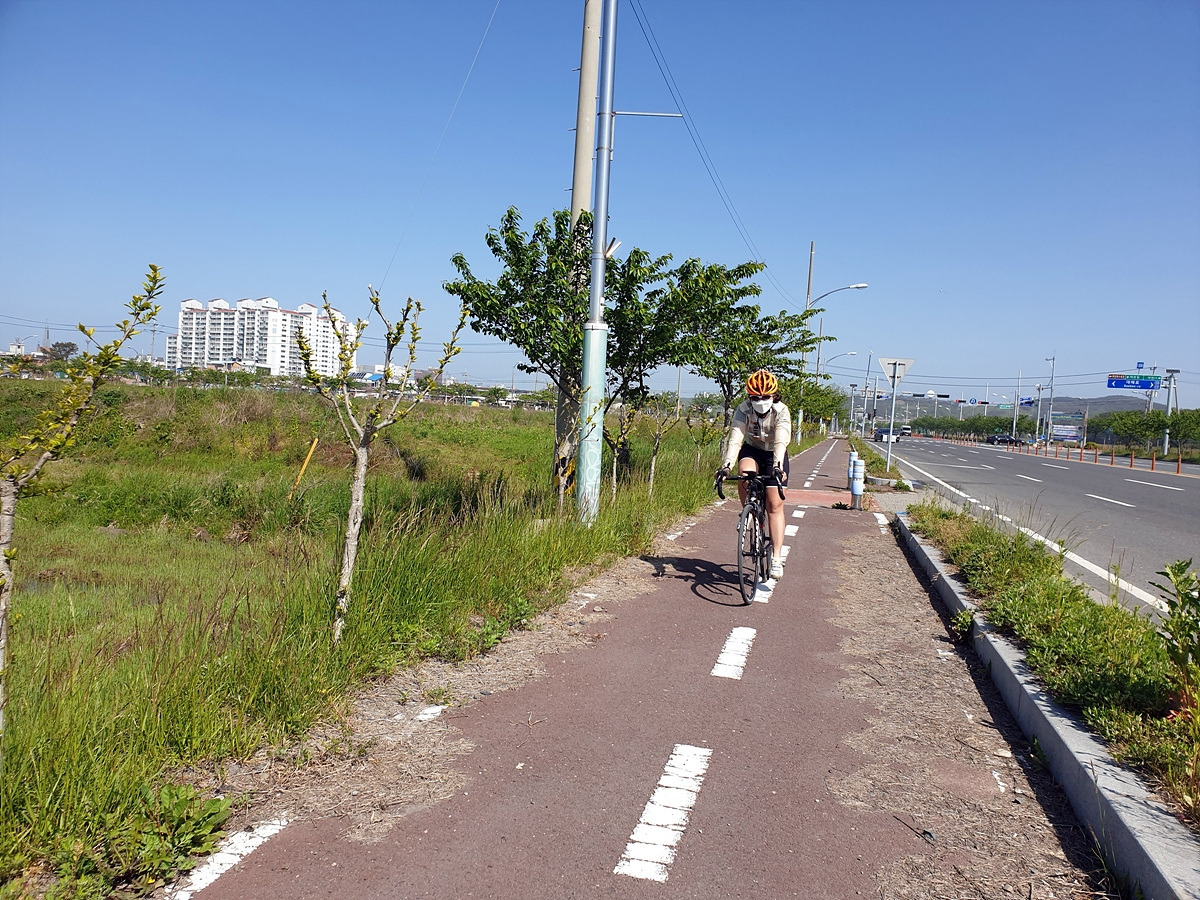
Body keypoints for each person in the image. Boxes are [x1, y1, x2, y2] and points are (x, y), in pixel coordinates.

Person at [715, 369, 792, 579]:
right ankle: (748, 512)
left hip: (774, 453)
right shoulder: (743, 409)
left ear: (774, 396)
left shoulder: (781, 411)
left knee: (774, 504)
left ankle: (776, 558)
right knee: (744, 473)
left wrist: (777, 467)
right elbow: (735, 439)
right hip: (752, 449)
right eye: (755, 398)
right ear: (749, 397)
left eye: (765, 397)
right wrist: (726, 466)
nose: (760, 401)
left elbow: (781, 441)